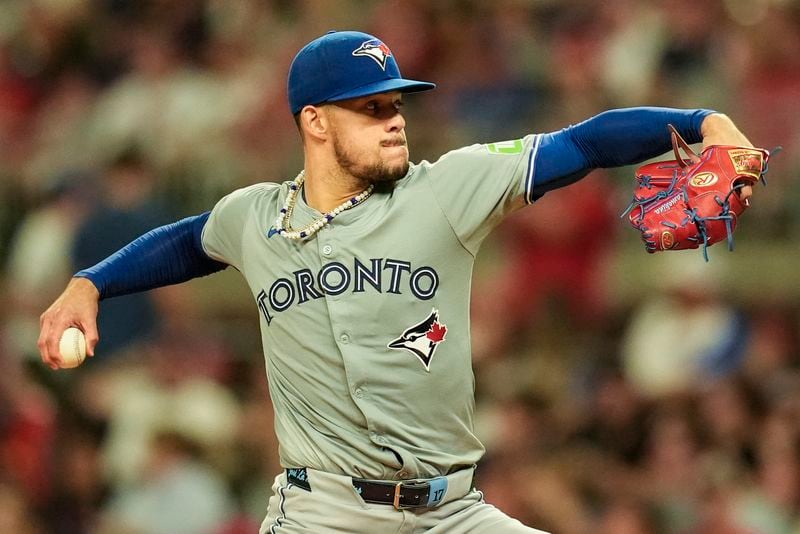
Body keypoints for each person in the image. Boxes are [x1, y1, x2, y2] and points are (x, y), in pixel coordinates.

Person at [38, 30, 761, 533]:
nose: (395, 121)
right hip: (323, 516)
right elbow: (186, 243)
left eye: (397, 103)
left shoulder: (447, 189)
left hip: (452, 514)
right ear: (315, 122)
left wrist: (702, 120)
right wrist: (90, 283)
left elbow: (585, 142)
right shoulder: (255, 217)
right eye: (372, 107)